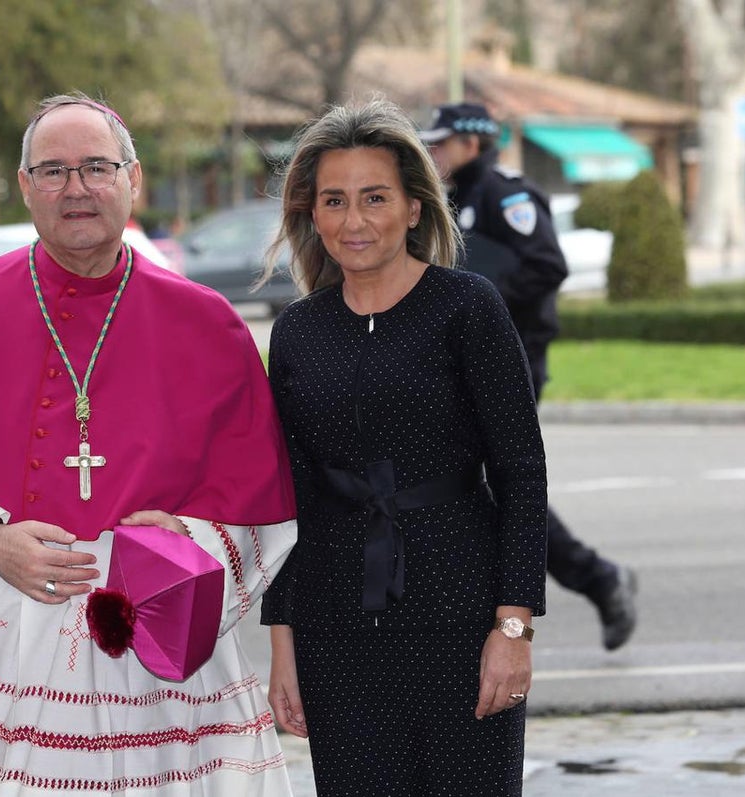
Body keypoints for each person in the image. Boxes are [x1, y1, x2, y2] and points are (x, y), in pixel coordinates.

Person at [0, 93, 298, 796]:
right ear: (25, 187)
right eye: (52, 170)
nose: (76, 188)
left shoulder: (206, 323)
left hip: (154, 631)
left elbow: (257, 500)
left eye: (96, 167)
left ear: (132, 179)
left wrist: (185, 539)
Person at [260, 98, 548, 796]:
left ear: (415, 208)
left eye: (375, 198)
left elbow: (521, 472)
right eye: (335, 200)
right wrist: (283, 646)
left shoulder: (467, 306)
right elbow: (288, 494)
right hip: (337, 631)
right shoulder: (297, 332)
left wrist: (513, 626)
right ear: (312, 213)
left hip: (462, 620)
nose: (354, 221)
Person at [422, 101, 638, 652]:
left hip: (511, 362)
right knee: (475, 487)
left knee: (497, 486)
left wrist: (479, 307)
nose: (433, 153)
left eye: (441, 143)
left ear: (472, 143)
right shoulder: (444, 199)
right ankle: (593, 581)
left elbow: (546, 266)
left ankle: (597, 580)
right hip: (457, 366)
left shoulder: (504, 194)